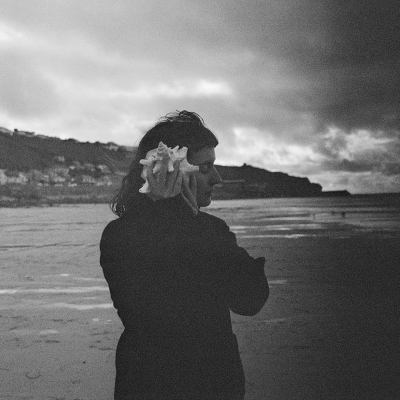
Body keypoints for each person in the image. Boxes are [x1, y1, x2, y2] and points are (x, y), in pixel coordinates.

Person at [100, 111, 269, 400]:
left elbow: (250, 299)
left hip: (217, 386)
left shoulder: (211, 230)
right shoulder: (122, 236)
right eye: (205, 168)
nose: (217, 179)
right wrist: (174, 218)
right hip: (151, 386)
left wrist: (191, 224)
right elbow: (150, 315)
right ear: (170, 171)